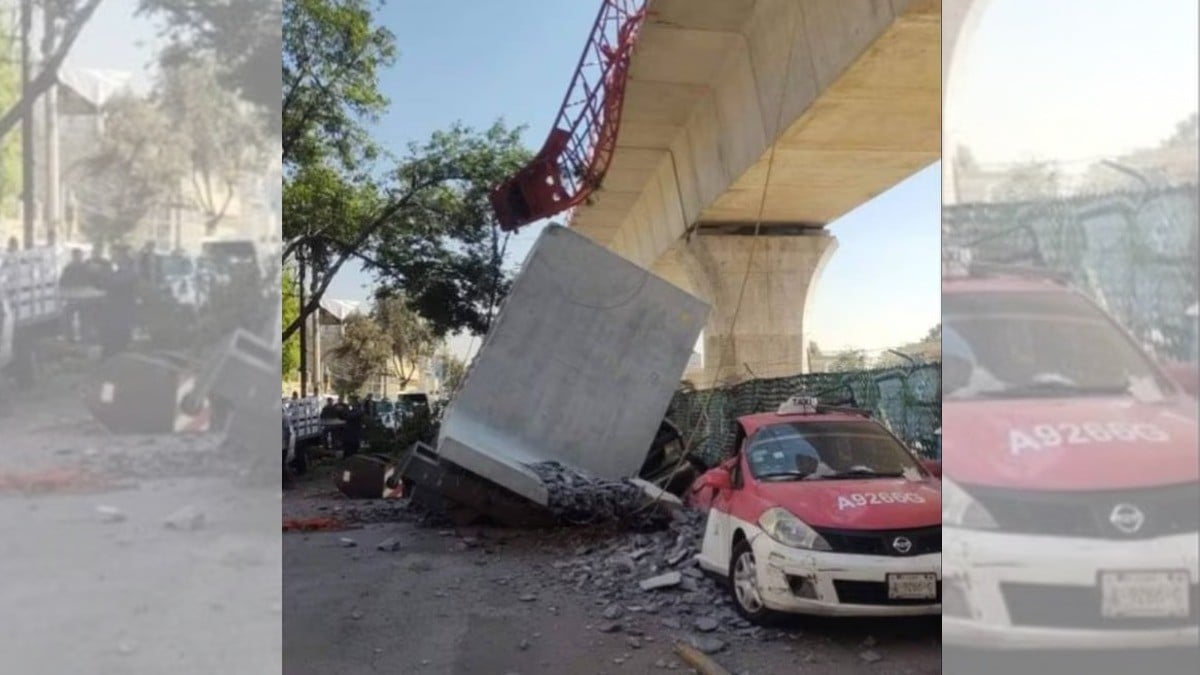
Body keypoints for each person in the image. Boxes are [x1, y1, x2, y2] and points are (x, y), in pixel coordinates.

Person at [97, 246, 138, 358]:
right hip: (113, 312)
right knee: (110, 339)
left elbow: (114, 283)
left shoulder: (130, 272)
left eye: (115, 256)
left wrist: (104, 270)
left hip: (122, 313)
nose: (113, 258)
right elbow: (103, 284)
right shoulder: (118, 271)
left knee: (119, 340)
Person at [59, 249, 90, 342]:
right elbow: (62, 282)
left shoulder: (84, 267)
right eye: (76, 256)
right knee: (70, 317)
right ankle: (71, 337)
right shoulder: (70, 268)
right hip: (75, 296)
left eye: (79, 256)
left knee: (83, 318)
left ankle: (80, 338)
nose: (77, 258)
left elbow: (62, 282)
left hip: (82, 296)